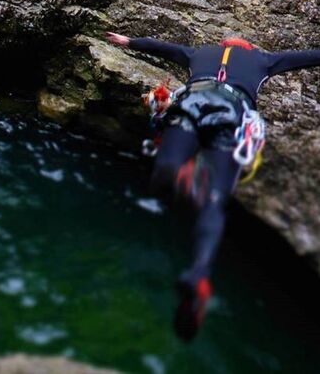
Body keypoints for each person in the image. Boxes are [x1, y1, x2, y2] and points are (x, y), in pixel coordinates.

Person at [105, 31, 320, 341]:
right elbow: (306, 57)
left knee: (166, 166)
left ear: (226, 45)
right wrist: (131, 42)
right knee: (216, 201)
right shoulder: (263, 59)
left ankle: (180, 175)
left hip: (194, 101)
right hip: (231, 112)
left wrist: (130, 42)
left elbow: (165, 48)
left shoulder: (199, 52)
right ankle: (199, 271)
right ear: (248, 46)